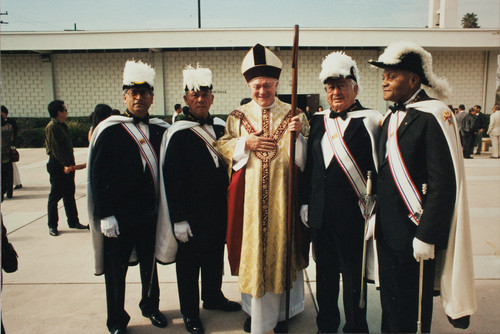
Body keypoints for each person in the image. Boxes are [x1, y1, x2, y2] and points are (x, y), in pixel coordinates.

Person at [369, 41, 476, 333]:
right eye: (384, 76)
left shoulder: (434, 115)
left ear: (413, 80)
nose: (385, 81)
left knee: (412, 306)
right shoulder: (391, 116)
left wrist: (427, 234)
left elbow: (444, 182)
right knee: (391, 302)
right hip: (387, 229)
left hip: (415, 231)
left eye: (392, 75)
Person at [217, 43, 310, 334]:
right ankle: (253, 313)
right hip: (251, 207)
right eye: (257, 86)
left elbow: (305, 161)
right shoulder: (238, 116)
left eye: (267, 85)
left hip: (284, 202)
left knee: (282, 255)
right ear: (249, 84)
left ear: (277, 84)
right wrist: (246, 143)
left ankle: (283, 315)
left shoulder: (294, 114)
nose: (262, 92)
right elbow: (222, 147)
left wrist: (299, 137)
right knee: (254, 256)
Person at [301, 52, 381, 333]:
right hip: (321, 218)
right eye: (331, 87)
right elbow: (311, 167)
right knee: (324, 279)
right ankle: (327, 325)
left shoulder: (370, 121)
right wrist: (305, 203)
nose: (336, 92)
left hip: (353, 219)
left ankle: (356, 327)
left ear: (355, 87)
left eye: (342, 85)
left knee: (353, 279)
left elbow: (379, 169)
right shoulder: (319, 121)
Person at [88, 60, 171, 334]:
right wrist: (104, 214)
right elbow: (98, 176)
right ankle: (116, 320)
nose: (139, 97)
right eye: (133, 92)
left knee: (150, 266)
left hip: (150, 213)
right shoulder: (110, 130)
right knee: (116, 271)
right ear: (124, 96)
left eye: (144, 92)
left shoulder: (160, 129)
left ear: (152, 97)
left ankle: (150, 306)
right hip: (119, 217)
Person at [162, 64, 241, 334]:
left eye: (205, 93)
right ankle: (190, 313)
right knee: (188, 267)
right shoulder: (178, 133)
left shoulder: (220, 128)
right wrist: (179, 219)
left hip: (218, 211)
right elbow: (172, 179)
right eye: (194, 94)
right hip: (191, 215)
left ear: (212, 97)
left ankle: (213, 296)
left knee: (213, 260)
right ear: (186, 98)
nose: (200, 98)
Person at [44, 100, 88, 236]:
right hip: (58, 165)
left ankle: (73, 221)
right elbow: (56, 149)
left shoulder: (62, 125)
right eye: (65, 110)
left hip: (67, 163)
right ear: (58, 112)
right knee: (55, 196)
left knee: (69, 194)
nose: (66, 112)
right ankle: (52, 225)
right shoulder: (52, 127)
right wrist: (65, 165)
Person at [1, 106, 15, 200]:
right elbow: (12, 139)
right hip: (7, 153)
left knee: (1, 176)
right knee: (9, 174)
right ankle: (9, 192)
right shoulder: (9, 127)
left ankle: (2, 192)